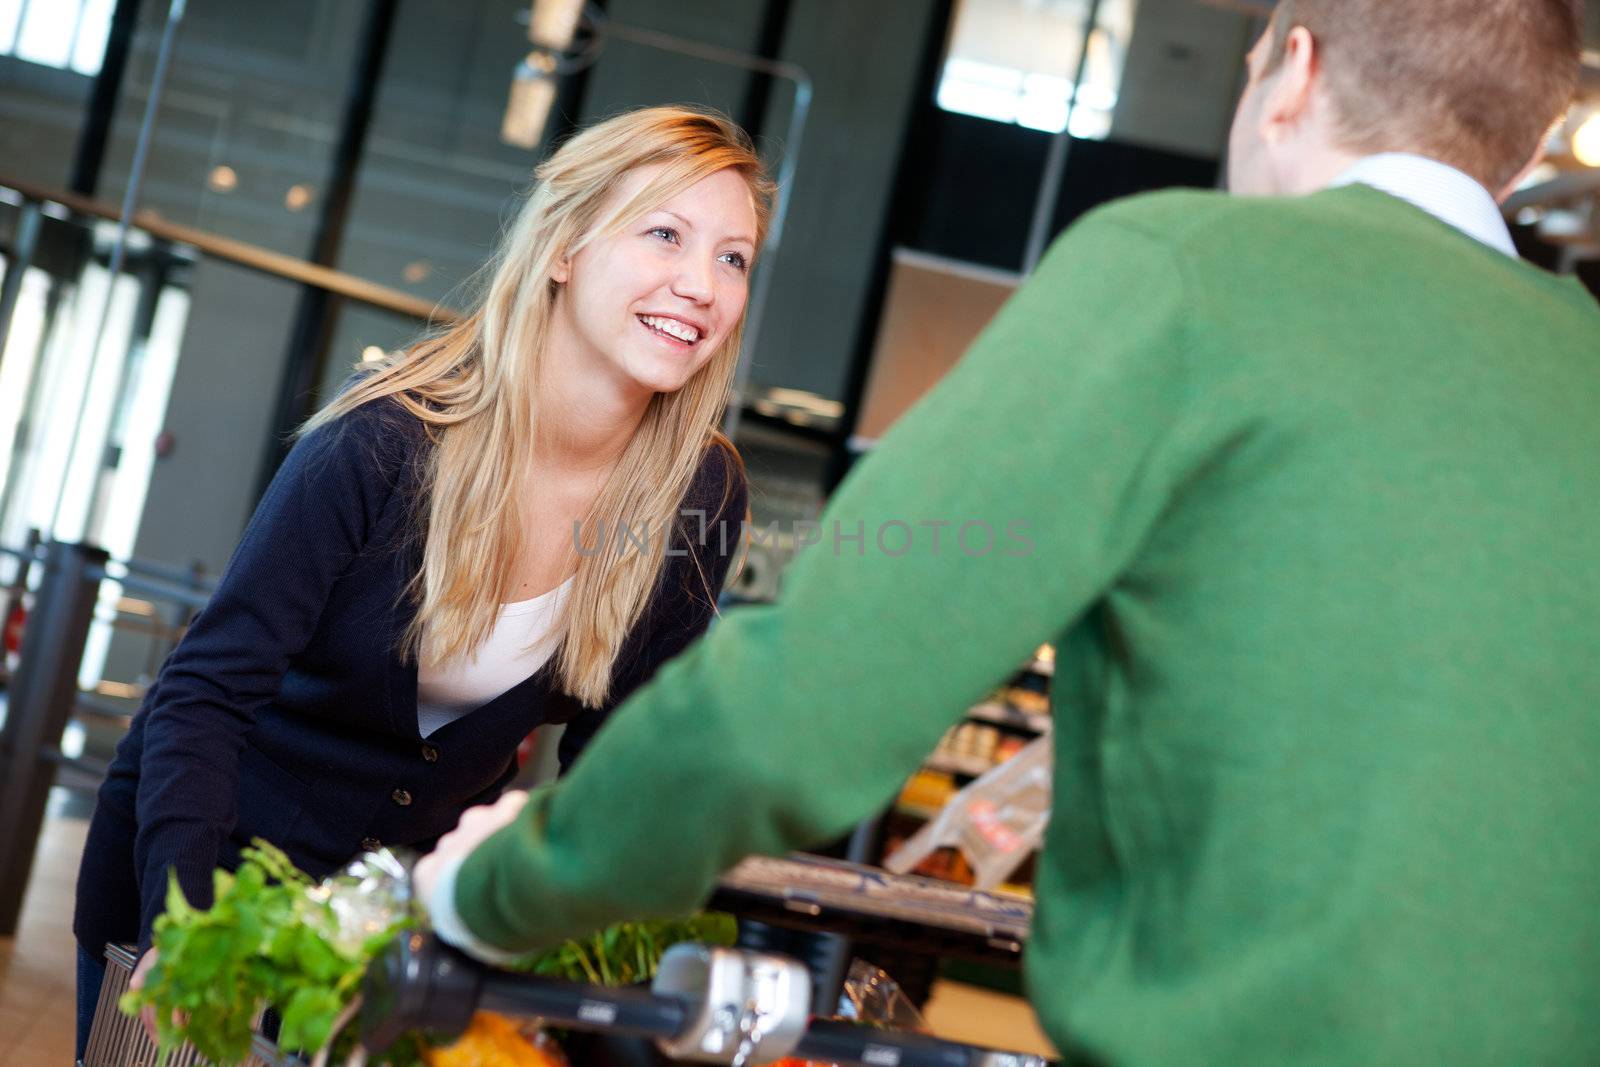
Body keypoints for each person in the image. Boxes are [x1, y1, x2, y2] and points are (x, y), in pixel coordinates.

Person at [418, 1, 1600, 1063]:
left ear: (1289, 72)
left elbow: (816, 693)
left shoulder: (1191, 273)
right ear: (1526, 131)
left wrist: (505, 887)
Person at [72, 106, 771, 1056]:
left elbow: (620, 761)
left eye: (733, 258)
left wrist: (574, 960)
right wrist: (183, 928)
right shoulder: (384, 442)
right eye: (664, 234)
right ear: (563, 248)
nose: (700, 285)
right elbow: (206, 691)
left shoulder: (701, 488)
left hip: (402, 927)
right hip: (204, 870)